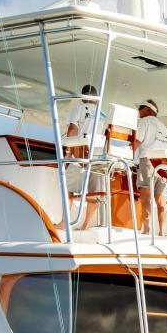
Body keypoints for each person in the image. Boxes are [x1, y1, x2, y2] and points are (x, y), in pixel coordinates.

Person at [63, 84, 101, 227]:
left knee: (69, 190)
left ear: (83, 97)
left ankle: (64, 223)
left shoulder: (78, 108)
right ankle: (86, 224)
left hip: (80, 154)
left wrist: (67, 153)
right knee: (94, 192)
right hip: (97, 157)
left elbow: (73, 130)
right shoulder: (101, 113)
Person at [134, 98, 167, 234]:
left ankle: (146, 230)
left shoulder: (144, 122)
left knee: (145, 198)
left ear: (148, 110)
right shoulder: (164, 127)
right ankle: (161, 232)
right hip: (163, 165)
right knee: (160, 201)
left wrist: (127, 156)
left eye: (140, 108)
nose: (138, 111)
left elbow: (136, 143)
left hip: (148, 161)